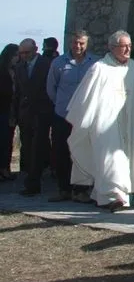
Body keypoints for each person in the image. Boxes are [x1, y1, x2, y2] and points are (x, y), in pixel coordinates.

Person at [66, 30, 134, 211]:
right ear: (113, 47)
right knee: (111, 160)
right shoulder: (100, 68)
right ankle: (114, 197)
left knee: (127, 159)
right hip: (104, 124)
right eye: (124, 46)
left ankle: (107, 195)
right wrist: (86, 121)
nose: (128, 50)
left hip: (130, 121)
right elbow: (85, 98)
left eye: (130, 46)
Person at [45, 30, 99, 203]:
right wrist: (62, 105)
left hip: (85, 117)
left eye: (82, 43)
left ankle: (81, 190)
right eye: (75, 42)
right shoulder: (58, 62)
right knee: (61, 152)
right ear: (70, 43)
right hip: (63, 115)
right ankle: (64, 189)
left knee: (83, 153)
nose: (78, 46)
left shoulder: (95, 63)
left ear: (87, 43)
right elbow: (51, 88)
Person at [12, 38, 53, 196]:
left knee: (38, 147)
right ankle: (31, 179)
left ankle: (34, 182)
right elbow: (17, 93)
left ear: (35, 49)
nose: (24, 56)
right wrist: (14, 114)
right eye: (21, 53)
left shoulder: (46, 64)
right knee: (27, 148)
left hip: (42, 112)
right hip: (25, 114)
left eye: (27, 52)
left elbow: (50, 88)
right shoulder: (19, 67)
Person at [0, 43, 17, 181]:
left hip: (11, 111)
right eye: (16, 55)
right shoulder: (2, 71)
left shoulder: (16, 71)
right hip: (3, 109)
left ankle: (5, 167)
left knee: (8, 140)